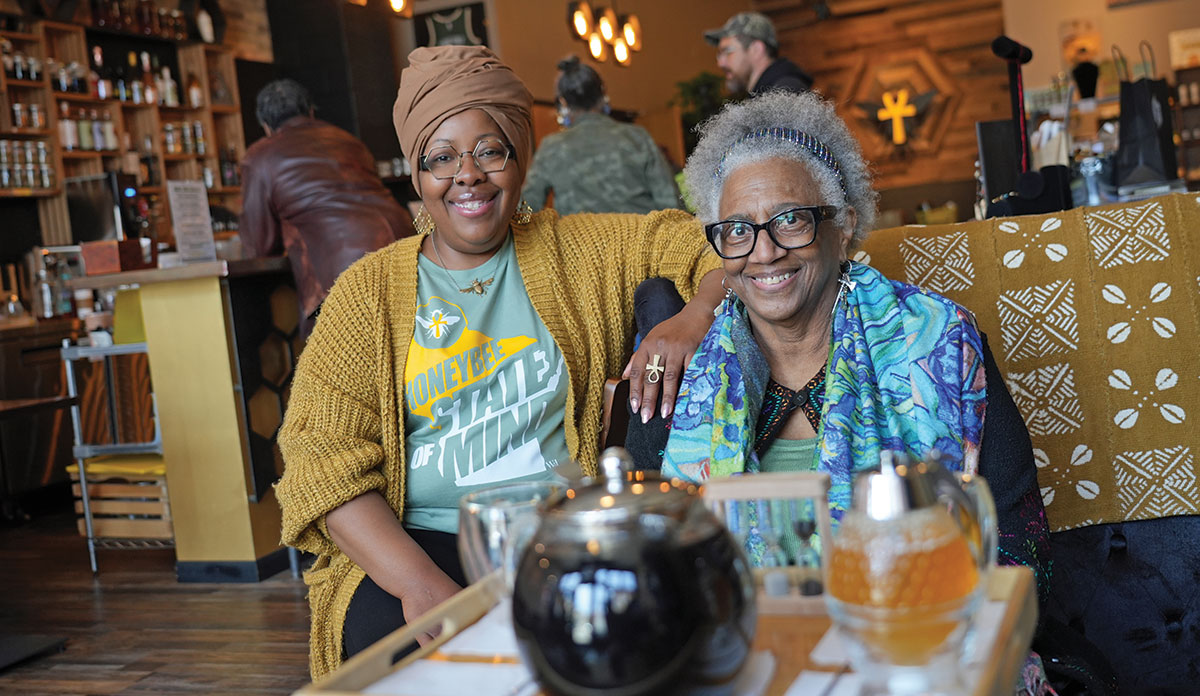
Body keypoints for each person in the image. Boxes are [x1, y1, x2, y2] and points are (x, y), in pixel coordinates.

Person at [274, 46, 724, 679]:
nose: (468, 175)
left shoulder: (582, 249)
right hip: (420, 542)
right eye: (441, 158)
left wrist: (693, 315)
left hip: (563, 537)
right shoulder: (367, 293)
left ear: (519, 156)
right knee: (402, 653)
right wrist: (418, 585)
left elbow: (712, 241)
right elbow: (320, 461)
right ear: (417, 174)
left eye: (489, 150)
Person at [628, 90, 1055, 692]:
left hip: (914, 658)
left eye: (790, 220)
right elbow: (641, 560)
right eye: (737, 231)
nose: (764, 252)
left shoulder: (940, 344)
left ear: (844, 224)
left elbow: (1018, 538)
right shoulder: (677, 369)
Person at [239, 79, 414, 339]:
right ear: (311, 111)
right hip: (407, 248)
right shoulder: (348, 140)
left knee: (343, 370)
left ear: (266, 126)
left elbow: (260, 245)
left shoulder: (260, 156)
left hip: (346, 273)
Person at [520, 56, 680, 216]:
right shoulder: (637, 136)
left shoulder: (552, 147)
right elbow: (672, 204)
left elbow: (526, 211)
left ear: (563, 103)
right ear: (602, 94)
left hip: (580, 239)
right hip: (641, 237)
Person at [704, 11, 813, 96]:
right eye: (719, 54)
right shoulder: (766, 96)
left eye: (727, 51)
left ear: (756, 49)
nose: (720, 63)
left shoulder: (785, 96)